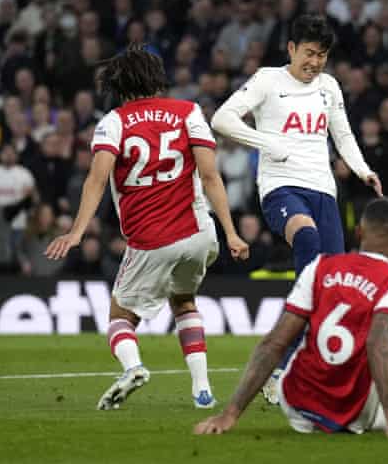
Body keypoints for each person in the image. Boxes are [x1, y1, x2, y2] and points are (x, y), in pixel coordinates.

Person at [194, 198, 388, 438]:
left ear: (359, 232)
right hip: (351, 412)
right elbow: (378, 343)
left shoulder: (319, 267)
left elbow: (275, 342)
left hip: (294, 403)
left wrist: (230, 414)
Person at [44, 45, 249, 410]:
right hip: (200, 233)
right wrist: (231, 232)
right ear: (157, 78)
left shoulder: (114, 121)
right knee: (184, 301)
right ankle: (202, 391)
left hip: (151, 239)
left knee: (119, 316)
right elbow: (210, 174)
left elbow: (96, 178)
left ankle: (133, 367)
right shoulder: (189, 112)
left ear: (120, 83)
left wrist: (76, 232)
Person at [211, 14, 382, 400]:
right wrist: (266, 144)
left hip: (324, 190)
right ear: (290, 48)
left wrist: (363, 170)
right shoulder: (269, 80)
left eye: (321, 55)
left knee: (334, 287)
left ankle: (287, 365)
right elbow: (222, 118)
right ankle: (296, 345)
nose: (315, 62)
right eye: (308, 53)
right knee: (306, 238)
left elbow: (343, 135)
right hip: (281, 188)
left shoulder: (329, 87)